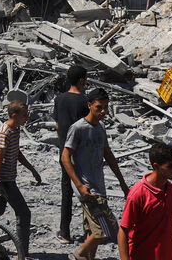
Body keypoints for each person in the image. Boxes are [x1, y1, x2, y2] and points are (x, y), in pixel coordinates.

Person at [61, 88, 129, 260]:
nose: (103, 111)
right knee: (105, 231)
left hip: (99, 186)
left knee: (91, 231)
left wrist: (122, 182)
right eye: (99, 107)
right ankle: (77, 255)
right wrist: (79, 185)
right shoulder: (78, 128)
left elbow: (108, 155)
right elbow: (65, 157)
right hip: (88, 190)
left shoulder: (100, 128)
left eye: (106, 107)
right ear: (89, 105)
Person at [0, 100, 41, 254]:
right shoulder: (5, 132)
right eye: (25, 115)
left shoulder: (15, 129)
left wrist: (32, 170)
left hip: (9, 177)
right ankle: (22, 253)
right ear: (14, 115)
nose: (27, 118)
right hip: (4, 180)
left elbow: (17, 153)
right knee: (24, 213)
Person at [117, 142, 172, 260]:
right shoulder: (138, 194)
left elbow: (170, 228)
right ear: (156, 166)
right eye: (170, 166)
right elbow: (123, 231)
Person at [54, 65, 89, 242]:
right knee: (86, 189)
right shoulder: (84, 101)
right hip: (81, 152)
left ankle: (65, 233)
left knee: (66, 191)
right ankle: (90, 231)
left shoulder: (59, 99)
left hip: (64, 152)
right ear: (82, 80)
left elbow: (58, 126)